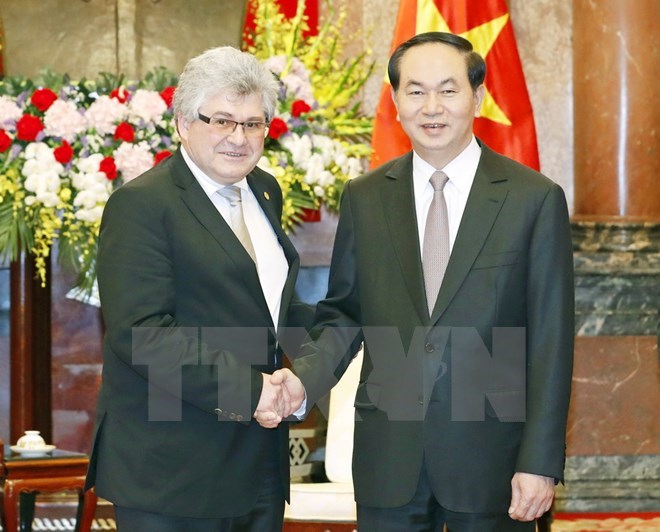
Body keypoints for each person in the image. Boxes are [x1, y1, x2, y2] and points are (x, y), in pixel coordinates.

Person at [273, 32, 575, 531]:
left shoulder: (533, 199)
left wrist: (539, 460)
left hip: (492, 463)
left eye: (448, 90)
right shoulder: (366, 198)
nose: (431, 107)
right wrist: (302, 381)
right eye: (415, 91)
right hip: (389, 462)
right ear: (395, 102)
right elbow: (345, 315)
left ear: (477, 97)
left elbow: (550, 340)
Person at [85, 46, 310, 531]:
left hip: (257, 465)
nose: (239, 138)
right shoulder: (142, 205)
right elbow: (143, 333)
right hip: (173, 470)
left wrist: (318, 361)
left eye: (254, 124)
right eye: (222, 120)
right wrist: (252, 392)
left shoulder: (264, 190)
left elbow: (269, 309)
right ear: (184, 123)